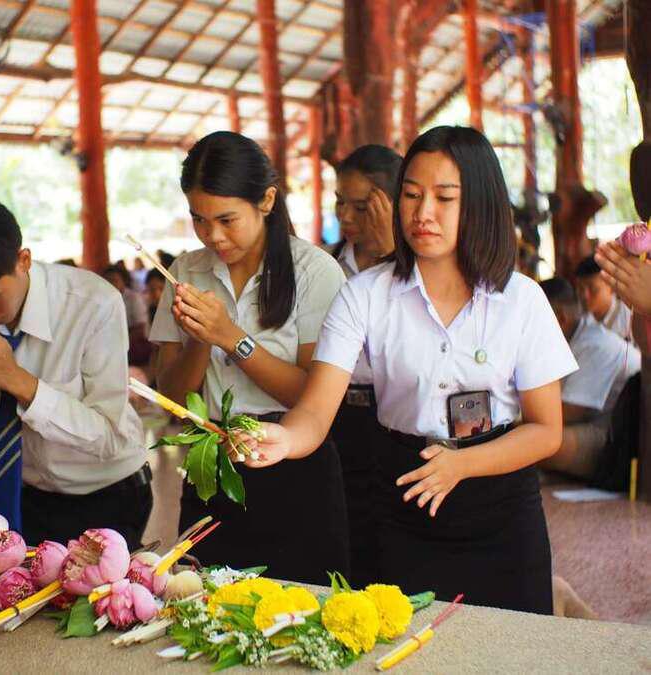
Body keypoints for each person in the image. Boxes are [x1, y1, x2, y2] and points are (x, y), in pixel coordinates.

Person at [244, 126, 577, 614]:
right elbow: (315, 413)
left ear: (479, 203)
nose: (423, 213)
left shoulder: (521, 299)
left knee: (515, 643)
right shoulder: (365, 295)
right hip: (405, 495)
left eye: (444, 197)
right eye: (412, 195)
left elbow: (547, 430)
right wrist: (284, 439)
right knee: (405, 641)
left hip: (501, 504)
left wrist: (462, 464)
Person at [150, 131, 349, 584]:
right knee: (205, 602)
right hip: (212, 459)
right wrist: (200, 339)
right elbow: (172, 398)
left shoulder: (314, 271)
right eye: (199, 220)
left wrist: (230, 338)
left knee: (301, 605)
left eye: (227, 219)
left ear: (267, 200)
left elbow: (312, 396)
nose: (213, 235)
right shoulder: (186, 271)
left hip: (295, 464)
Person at [0, 195, 151, 548]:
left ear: (23, 261)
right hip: (28, 496)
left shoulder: (93, 304)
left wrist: (19, 382)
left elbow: (109, 437)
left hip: (108, 495)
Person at [329, 144, 402, 587]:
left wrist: (393, 249)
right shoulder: (326, 265)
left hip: (395, 416)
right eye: (340, 202)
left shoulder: (419, 269)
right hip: (339, 413)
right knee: (349, 535)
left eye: (361, 207)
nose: (345, 216)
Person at [538, 277, 641, 479]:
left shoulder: (595, 344)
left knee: (535, 442)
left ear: (561, 318)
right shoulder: (573, 337)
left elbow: (569, 413)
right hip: (597, 425)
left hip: (616, 439)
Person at [574, 255, 633, 342]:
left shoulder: (629, 318)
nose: (585, 296)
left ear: (612, 287)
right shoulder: (578, 319)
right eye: (580, 289)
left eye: (593, 289)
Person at [101, 264, 151, 364]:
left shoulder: (134, 298)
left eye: (114, 280)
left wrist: (118, 344)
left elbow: (140, 328)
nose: (110, 284)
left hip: (132, 344)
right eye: (107, 281)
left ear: (124, 282)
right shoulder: (102, 299)